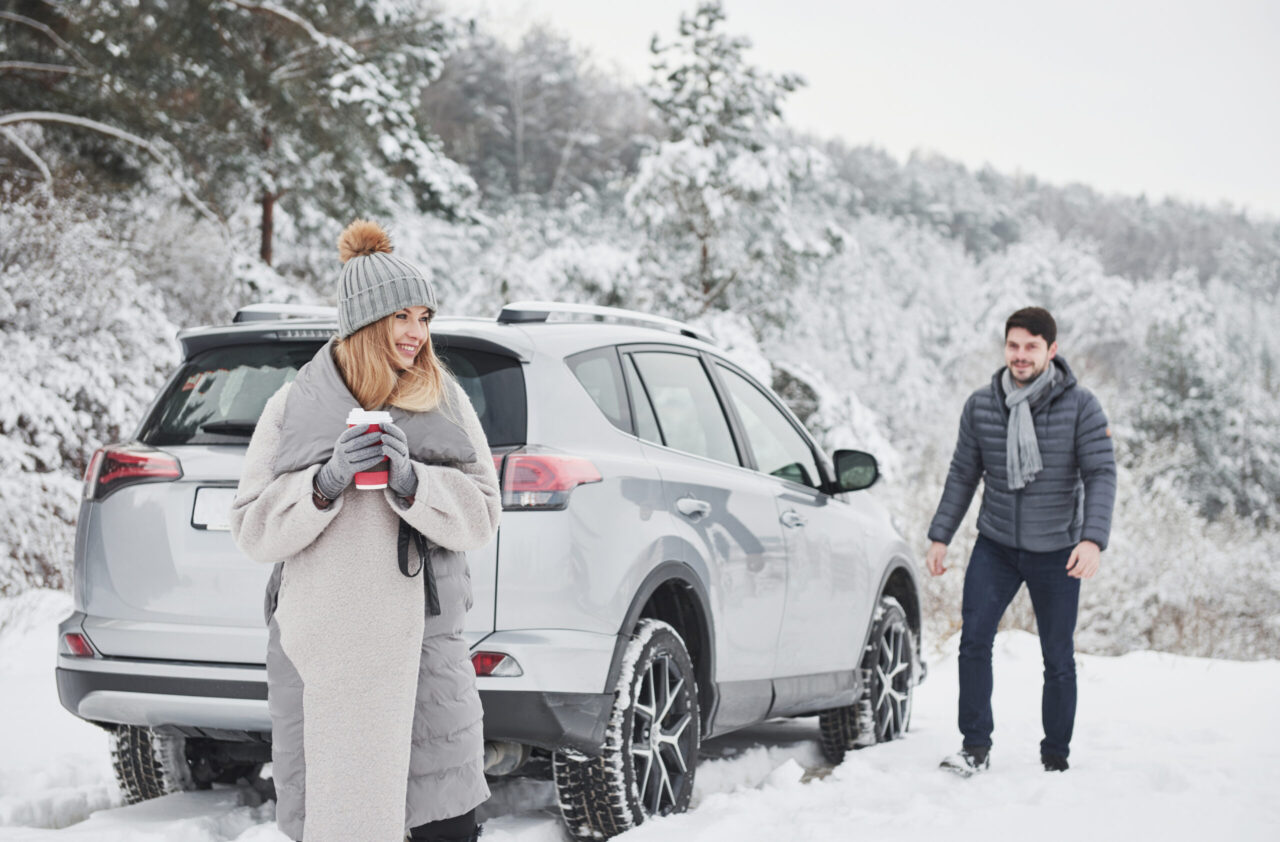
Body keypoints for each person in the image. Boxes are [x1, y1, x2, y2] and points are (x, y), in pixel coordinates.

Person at [230, 219, 500, 841]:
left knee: (443, 824)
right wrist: (322, 485)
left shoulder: (446, 401)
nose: (417, 333)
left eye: (424, 317)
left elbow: (484, 513)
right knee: (338, 820)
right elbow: (251, 526)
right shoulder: (292, 407)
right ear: (365, 322)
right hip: (324, 654)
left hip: (424, 648)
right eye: (403, 317)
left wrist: (414, 483)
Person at [925, 307, 1115, 776]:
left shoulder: (1081, 406)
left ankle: (1055, 756)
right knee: (973, 642)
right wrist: (940, 535)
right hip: (997, 545)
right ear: (1005, 347)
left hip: (1057, 550)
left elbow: (1100, 473)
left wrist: (1091, 540)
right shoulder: (982, 405)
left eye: (1032, 346)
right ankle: (974, 747)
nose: (1021, 355)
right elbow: (962, 474)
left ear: (1051, 350)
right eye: (1013, 345)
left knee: (1057, 657)